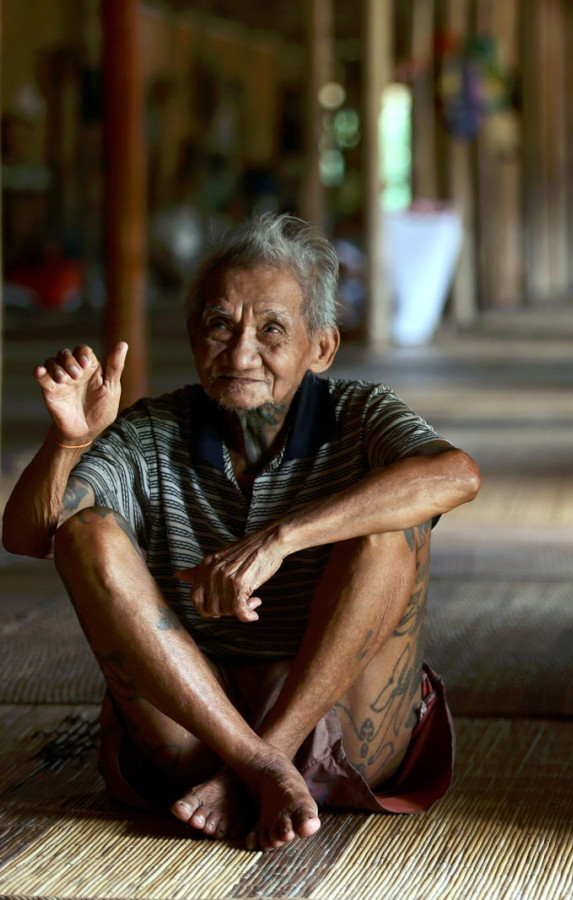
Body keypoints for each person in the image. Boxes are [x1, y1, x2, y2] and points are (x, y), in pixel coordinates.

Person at [1, 213, 481, 852]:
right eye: (220, 325)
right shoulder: (153, 432)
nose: (240, 352)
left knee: (389, 532)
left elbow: (458, 474)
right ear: (196, 338)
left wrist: (279, 539)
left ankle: (261, 765)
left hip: (349, 732)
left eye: (272, 329)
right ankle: (256, 767)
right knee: (84, 533)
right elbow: (29, 536)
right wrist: (69, 439)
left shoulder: (361, 414)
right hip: (195, 734)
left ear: (322, 347)